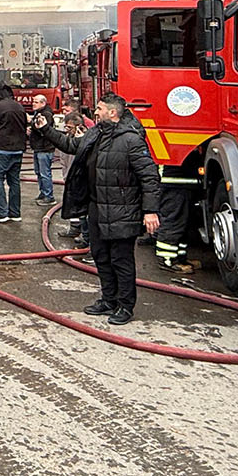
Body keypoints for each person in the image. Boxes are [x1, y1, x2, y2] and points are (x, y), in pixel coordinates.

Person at [50, 94, 161, 325]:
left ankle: (125, 306)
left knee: (121, 260)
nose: (95, 112)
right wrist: (46, 130)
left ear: (113, 113)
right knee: (101, 257)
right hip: (97, 209)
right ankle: (108, 299)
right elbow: (72, 146)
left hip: (123, 211)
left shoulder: (132, 140)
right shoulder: (96, 134)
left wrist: (150, 211)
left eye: (99, 109)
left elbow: (149, 177)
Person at [0, 82, 29, 222]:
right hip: (18, 149)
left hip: (1, 149)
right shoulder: (19, 106)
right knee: (14, 181)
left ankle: (1, 213)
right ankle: (15, 213)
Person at [26, 94, 59, 206]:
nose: (33, 104)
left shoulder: (46, 115)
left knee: (45, 173)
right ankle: (43, 192)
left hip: (45, 148)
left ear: (43, 103)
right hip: (38, 148)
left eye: (36, 102)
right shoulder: (39, 113)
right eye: (33, 101)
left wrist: (31, 122)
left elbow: (43, 128)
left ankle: (49, 196)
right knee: (39, 172)